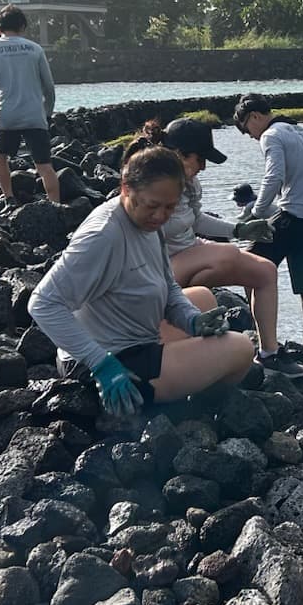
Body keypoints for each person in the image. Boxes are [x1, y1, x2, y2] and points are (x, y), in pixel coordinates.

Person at [27, 144, 257, 413]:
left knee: (202, 298)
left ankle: (185, 389)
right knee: (241, 349)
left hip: (134, 336)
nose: (160, 216)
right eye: (153, 205)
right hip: (110, 366)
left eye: (170, 207)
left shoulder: (149, 223)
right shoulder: (103, 236)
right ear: (126, 188)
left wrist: (191, 321)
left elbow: (169, 285)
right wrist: (101, 364)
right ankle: (196, 417)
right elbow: (42, 303)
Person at [126, 117, 303, 377]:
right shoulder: (147, 184)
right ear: (177, 154)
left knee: (265, 270)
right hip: (157, 266)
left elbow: (197, 219)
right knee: (226, 256)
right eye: (199, 160)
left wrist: (238, 229)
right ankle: (185, 353)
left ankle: (269, 353)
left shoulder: (190, 183)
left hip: (190, 251)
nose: (204, 167)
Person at [232, 93, 303, 359]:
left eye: (245, 128)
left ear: (254, 117)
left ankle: (261, 338)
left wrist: (258, 213)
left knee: (248, 267)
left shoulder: (270, 135)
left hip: (293, 217)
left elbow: (274, 176)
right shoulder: (300, 130)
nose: (248, 135)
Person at [0, 4, 58, 205]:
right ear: (23, 26)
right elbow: (49, 85)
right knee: (44, 165)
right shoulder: (35, 49)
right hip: (34, 114)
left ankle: (9, 197)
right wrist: (48, 113)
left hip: (5, 115)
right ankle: (56, 203)